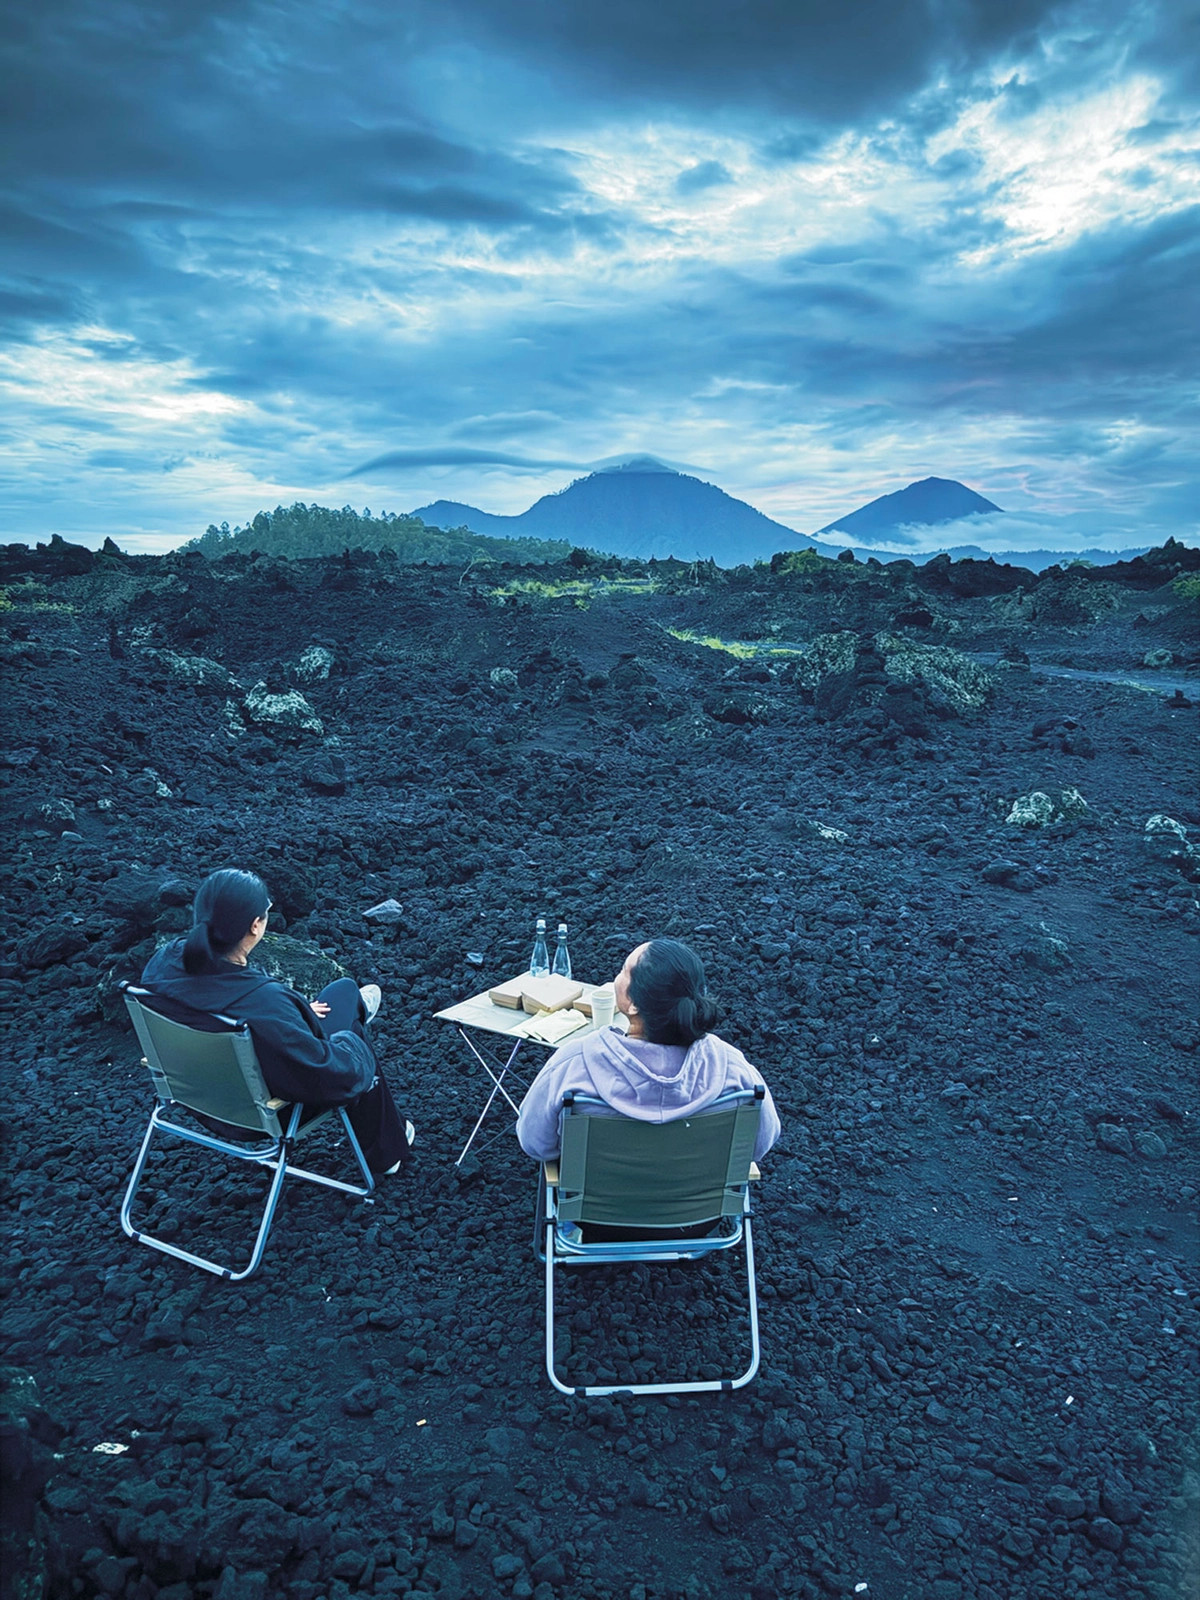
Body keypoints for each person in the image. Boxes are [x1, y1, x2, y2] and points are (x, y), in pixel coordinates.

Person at [141, 868, 413, 1176]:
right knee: (348, 1009)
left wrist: (292, 1012)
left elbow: (232, 1005)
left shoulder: (163, 963)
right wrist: (353, 1045)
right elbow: (330, 1075)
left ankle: (352, 1012)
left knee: (343, 995)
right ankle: (385, 1151)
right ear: (255, 925)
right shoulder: (264, 1001)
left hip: (195, 1093)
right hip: (264, 1112)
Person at [516, 938, 780, 1163]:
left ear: (633, 1003)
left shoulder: (574, 1064)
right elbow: (760, 1145)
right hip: (697, 1207)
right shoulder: (734, 1069)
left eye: (623, 970)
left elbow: (536, 1145)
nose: (616, 977)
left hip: (602, 1207)